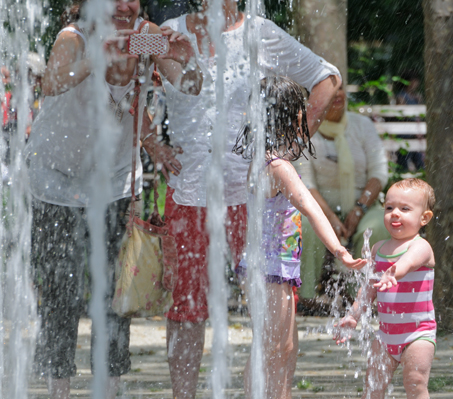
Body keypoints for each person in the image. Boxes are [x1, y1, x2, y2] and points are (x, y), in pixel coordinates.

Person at [152, 3, 341, 398]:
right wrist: (151, 143)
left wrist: (288, 148)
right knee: (187, 308)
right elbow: (122, 76)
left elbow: (327, 79)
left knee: (272, 317)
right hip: (189, 193)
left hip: (252, 199)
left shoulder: (261, 32)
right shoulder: (169, 31)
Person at [25, 0, 202, 397]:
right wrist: (98, 55)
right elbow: (52, 82)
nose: (125, 4)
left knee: (115, 292)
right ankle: (59, 389)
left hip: (113, 180)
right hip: (56, 178)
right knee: (60, 292)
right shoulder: (74, 38)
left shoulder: (146, 37)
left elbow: (189, 85)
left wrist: (186, 57)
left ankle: (110, 386)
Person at [234, 76, 366, 399]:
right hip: (269, 269)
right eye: (302, 110)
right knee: (272, 349)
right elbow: (310, 207)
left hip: (273, 268)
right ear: (290, 117)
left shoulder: (263, 159)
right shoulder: (279, 167)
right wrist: (339, 250)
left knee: (285, 347)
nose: (307, 116)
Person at [335, 178, 436, 399]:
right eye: (389, 208)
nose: (395, 213)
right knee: (373, 385)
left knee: (416, 382)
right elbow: (369, 288)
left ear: (424, 218)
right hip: (385, 335)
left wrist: (394, 272)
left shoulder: (421, 246)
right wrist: (354, 315)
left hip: (418, 334)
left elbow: (409, 262)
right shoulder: (379, 249)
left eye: (405, 208)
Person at [293, 87, 388, 302]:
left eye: (340, 89)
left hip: (363, 207)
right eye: (330, 91)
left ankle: (363, 301)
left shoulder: (361, 126)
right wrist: (330, 219)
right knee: (305, 227)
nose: (337, 95)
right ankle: (305, 298)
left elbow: (379, 173)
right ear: (314, 99)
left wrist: (359, 208)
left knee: (379, 226)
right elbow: (305, 184)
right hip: (317, 208)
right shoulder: (305, 130)